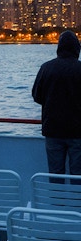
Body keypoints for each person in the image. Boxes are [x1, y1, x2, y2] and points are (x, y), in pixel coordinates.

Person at [32, 30, 81, 175]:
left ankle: (56, 197)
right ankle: (75, 198)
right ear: (77, 48)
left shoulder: (46, 68)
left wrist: (51, 103)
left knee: (55, 173)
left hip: (53, 129)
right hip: (78, 130)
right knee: (78, 175)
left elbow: (36, 95)